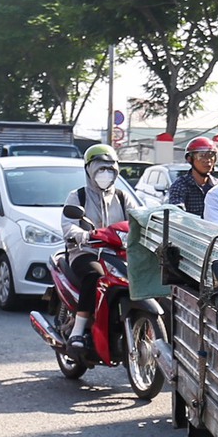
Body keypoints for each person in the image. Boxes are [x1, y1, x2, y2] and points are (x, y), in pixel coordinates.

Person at [58, 144, 144, 344]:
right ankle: (78, 332)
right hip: (85, 252)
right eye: (100, 168)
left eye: (110, 169)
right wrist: (83, 235)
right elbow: (68, 225)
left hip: (117, 253)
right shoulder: (77, 196)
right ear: (89, 169)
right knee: (94, 276)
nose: (105, 173)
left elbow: (138, 219)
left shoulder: (123, 197)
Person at [166, 136, 218, 218]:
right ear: (189, 159)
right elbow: (176, 214)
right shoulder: (180, 186)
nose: (207, 160)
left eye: (211, 155)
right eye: (202, 155)